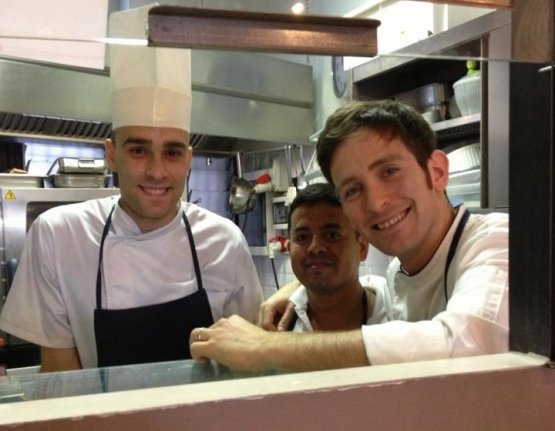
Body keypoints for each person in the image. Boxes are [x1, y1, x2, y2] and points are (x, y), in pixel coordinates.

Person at [0, 5, 263, 371]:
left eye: (171, 152)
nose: (156, 171)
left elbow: (249, 366)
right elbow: (61, 378)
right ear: (111, 154)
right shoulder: (59, 237)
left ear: (188, 159)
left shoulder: (226, 243)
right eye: (139, 149)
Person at [189, 99, 508, 372]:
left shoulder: (495, 242)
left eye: (389, 171)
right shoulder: (400, 272)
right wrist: (298, 290)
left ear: (436, 171)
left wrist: (265, 348)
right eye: (353, 189)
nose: (376, 202)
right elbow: (364, 287)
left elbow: (465, 344)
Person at [285, 182, 386, 332]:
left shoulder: (394, 318)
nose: (315, 247)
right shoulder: (276, 326)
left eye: (332, 235)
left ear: (362, 248)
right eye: (302, 237)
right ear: (289, 249)